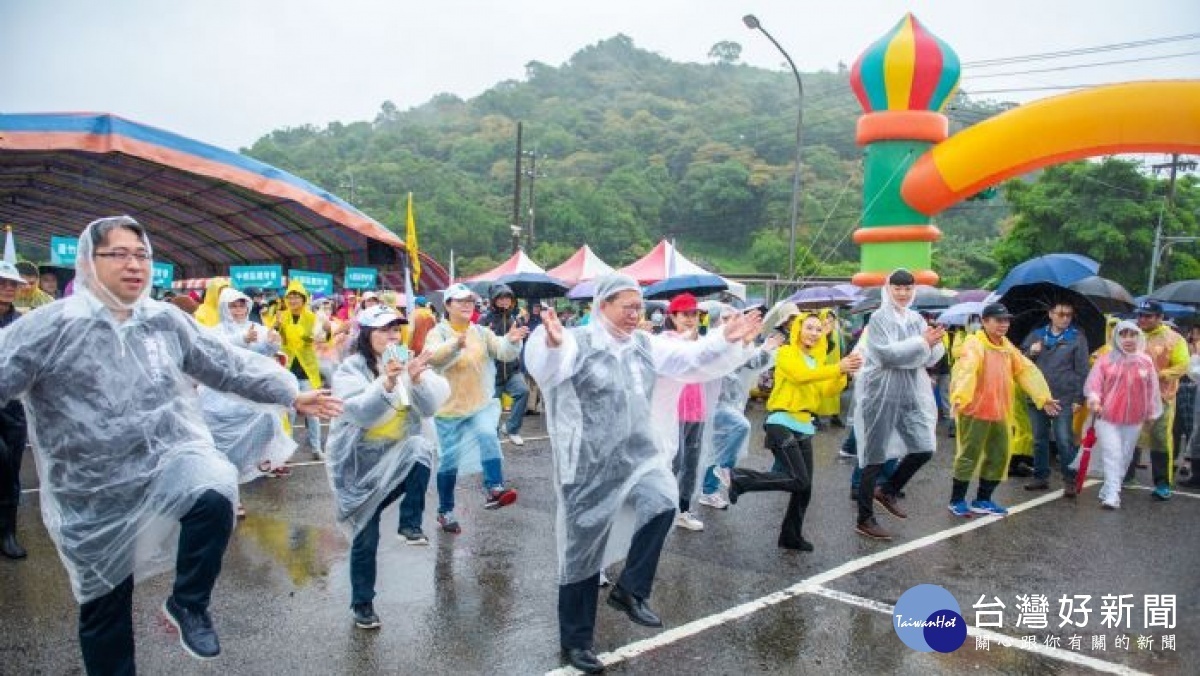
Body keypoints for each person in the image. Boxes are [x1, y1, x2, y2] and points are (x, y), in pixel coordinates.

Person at [0, 216, 341, 675]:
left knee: (216, 489)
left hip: (167, 464)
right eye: (118, 254)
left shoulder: (163, 321)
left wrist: (289, 392)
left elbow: (225, 364)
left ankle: (188, 603)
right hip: (92, 494)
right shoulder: (48, 327)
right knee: (105, 608)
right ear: (88, 261)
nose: (134, 264)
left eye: (142, 255)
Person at [525, 273, 761, 675]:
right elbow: (549, 365)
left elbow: (691, 360)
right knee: (581, 554)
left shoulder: (643, 345)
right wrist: (548, 343)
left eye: (640, 307)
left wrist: (725, 339)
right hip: (586, 465)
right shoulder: (575, 342)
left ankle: (631, 590)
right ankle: (576, 642)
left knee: (664, 502)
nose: (638, 314)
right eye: (628, 307)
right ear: (603, 306)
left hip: (636, 456)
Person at [326, 305, 448, 629]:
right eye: (384, 330)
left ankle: (410, 524)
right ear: (366, 335)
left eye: (396, 330)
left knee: (422, 447)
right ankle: (362, 604)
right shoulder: (349, 370)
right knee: (365, 537)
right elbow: (362, 413)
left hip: (395, 459)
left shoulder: (404, 359)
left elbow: (429, 408)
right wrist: (388, 383)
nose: (393, 336)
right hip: (358, 468)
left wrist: (418, 380)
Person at [715, 307, 860, 552]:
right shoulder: (786, 353)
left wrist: (844, 376)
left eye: (818, 329)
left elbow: (824, 391)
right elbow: (801, 376)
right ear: (798, 329)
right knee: (798, 479)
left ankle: (790, 536)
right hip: (781, 423)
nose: (814, 333)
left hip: (804, 425)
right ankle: (739, 478)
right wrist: (837, 368)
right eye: (809, 328)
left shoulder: (816, 361)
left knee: (805, 487)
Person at [424, 283, 528, 534]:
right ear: (447, 305)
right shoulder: (438, 333)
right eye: (460, 301)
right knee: (449, 462)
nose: (466, 305)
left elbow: (502, 352)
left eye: (470, 301)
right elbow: (434, 357)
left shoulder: (481, 332)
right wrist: (455, 345)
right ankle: (445, 511)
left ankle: (495, 488)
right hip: (448, 410)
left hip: (479, 403)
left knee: (487, 434)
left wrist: (512, 342)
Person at [852, 270, 945, 540]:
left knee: (924, 447)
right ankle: (864, 518)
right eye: (897, 288)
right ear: (888, 289)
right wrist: (921, 343)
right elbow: (885, 355)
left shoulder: (917, 319)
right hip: (880, 391)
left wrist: (934, 343)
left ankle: (889, 490)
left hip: (910, 391)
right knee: (874, 456)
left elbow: (929, 358)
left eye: (907, 288)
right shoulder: (878, 319)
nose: (903, 294)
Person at [948, 303, 1059, 517]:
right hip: (975, 410)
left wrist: (1042, 397)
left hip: (999, 411)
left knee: (999, 455)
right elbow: (967, 370)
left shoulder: (1007, 347)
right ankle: (957, 499)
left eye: (1006, 320)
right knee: (968, 455)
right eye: (998, 320)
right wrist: (960, 396)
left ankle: (983, 499)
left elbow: (1026, 370)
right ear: (985, 321)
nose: (1004, 324)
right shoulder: (974, 344)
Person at [197, 287, 294, 515]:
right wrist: (242, 339)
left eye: (242, 305)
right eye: (233, 305)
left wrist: (272, 343)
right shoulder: (215, 331)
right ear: (224, 307)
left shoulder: (258, 328)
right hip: (221, 400)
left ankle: (262, 460)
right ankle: (233, 499)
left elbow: (263, 355)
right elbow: (217, 352)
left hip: (248, 398)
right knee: (223, 453)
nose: (238, 310)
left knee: (269, 421)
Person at [696, 302, 782, 511]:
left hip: (728, 404)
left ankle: (709, 490)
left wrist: (763, 348)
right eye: (724, 320)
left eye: (732, 319)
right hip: (708, 406)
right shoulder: (707, 344)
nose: (729, 324)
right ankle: (723, 471)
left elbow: (750, 363)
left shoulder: (735, 345)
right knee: (739, 428)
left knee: (717, 448)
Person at [1084, 321, 1162, 509]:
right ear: (1116, 338)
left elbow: (1152, 390)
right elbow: (1094, 384)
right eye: (1123, 335)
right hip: (1107, 416)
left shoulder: (1146, 361)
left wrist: (1152, 412)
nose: (1128, 339)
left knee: (1125, 455)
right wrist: (1094, 399)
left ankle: (1110, 486)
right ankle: (1113, 495)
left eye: (1132, 335)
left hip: (1134, 417)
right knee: (1113, 452)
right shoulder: (1105, 360)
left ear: (1139, 337)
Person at [1020, 302, 1089, 495]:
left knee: (1064, 439)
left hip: (1064, 397)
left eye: (1069, 315)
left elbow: (1082, 370)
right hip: (1037, 395)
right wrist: (1030, 353)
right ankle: (1041, 476)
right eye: (1061, 314)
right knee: (1039, 439)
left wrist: (1079, 398)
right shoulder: (1036, 335)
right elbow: (1020, 362)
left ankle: (1070, 478)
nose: (1066, 318)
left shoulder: (1077, 338)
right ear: (1050, 314)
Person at [660, 293, 717, 531]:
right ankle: (661, 508)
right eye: (685, 314)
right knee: (675, 460)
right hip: (672, 410)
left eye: (695, 314)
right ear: (672, 317)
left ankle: (683, 510)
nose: (691, 319)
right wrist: (687, 341)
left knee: (691, 463)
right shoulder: (664, 339)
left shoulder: (699, 341)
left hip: (695, 408)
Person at [1129, 301, 1189, 500]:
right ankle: (1127, 476)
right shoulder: (1132, 335)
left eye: (1148, 316)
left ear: (1159, 317)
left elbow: (1183, 365)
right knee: (1130, 435)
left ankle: (1162, 483)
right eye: (1140, 315)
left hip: (1162, 397)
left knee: (1160, 439)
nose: (1142, 320)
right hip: (1132, 396)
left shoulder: (1174, 338)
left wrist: (1160, 374)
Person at [275, 279, 331, 459]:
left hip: (307, 369)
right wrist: (276, 327)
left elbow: (322, 338)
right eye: (289, 297)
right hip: (287, 369)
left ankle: (316, 449)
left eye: (296, 297)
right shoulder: (281, 316)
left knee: (313, 412)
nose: (292, 301)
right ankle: (286, 451)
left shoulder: (312, 317)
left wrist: (327, 330)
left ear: (303, 298)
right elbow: (276, 340)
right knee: (289, 413)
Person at [0, 261, 29, 559]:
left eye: (12, 284)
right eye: (2, 282)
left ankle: (8, 532)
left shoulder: (22, 324)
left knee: (10, 472)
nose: (8, 288)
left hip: (12, 408)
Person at [481, 283, 531, 446]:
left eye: (507, 298)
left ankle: (511, 429)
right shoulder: (484, 320)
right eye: (500, 298)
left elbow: (520, 345)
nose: (504, 302)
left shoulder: (514, 319)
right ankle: (493, 439)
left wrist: (523, 336)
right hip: (491, 373)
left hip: (511, 370)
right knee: (492, 408)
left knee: (523, 392)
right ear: (493, 300)